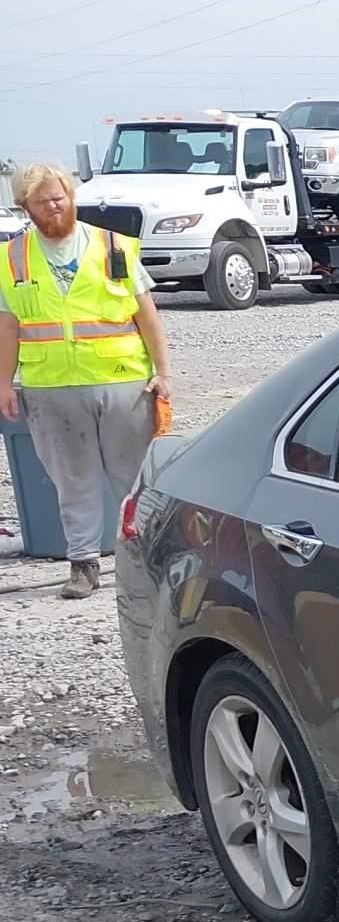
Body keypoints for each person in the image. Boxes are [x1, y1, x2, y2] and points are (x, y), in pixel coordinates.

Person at [0, 164, 171, 597]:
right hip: (52, 388)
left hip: (123, 382)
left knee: (132, 477)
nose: (55, 207)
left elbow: (145, 312)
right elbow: (8, 327)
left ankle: (152, 561)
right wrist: (4, 382)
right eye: (44, 202)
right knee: (72, 480)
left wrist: (163, 373)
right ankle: (83, 566)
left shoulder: (112, 246)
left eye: (60, 198)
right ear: (26, 208)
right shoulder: (12, 259)